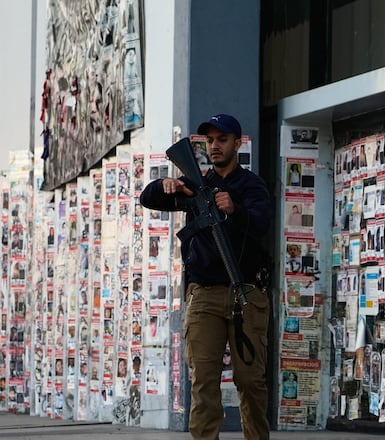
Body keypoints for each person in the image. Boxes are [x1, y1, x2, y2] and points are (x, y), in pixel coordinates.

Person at [140, 113, 273, 439]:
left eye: (222, 140)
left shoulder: (251, 185)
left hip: (246, 293)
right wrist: (165, 185)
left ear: (237, 144)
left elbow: (262, 223)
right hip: (205, 296)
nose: (215, 146)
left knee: (250, 380)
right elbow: (148, 197)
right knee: (203, 380)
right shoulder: (197, 185)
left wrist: (234, 210)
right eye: (210, 140)